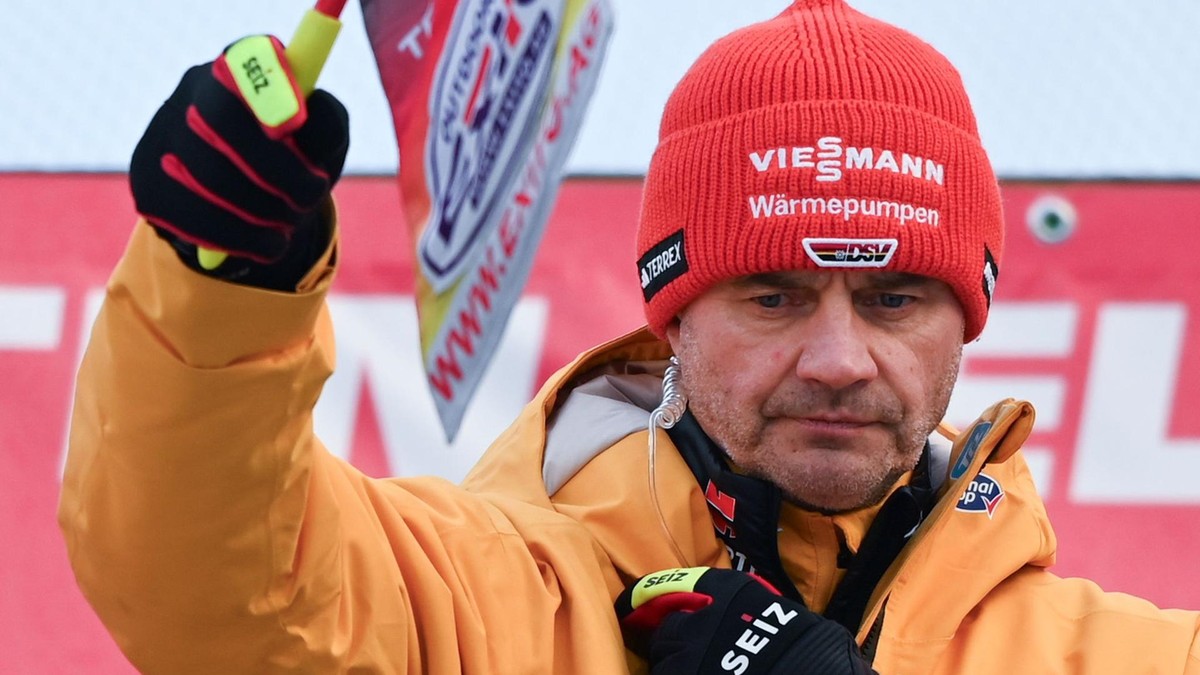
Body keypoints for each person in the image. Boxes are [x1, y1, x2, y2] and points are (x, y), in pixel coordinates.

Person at [59, 1, 1200, 673]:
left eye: (894, 299)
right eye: (773, 297)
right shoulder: (493, 601)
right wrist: (226, 281)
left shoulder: (1117, 655)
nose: (840, 357)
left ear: (968, 319)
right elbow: (214, 586)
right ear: (672, 316)